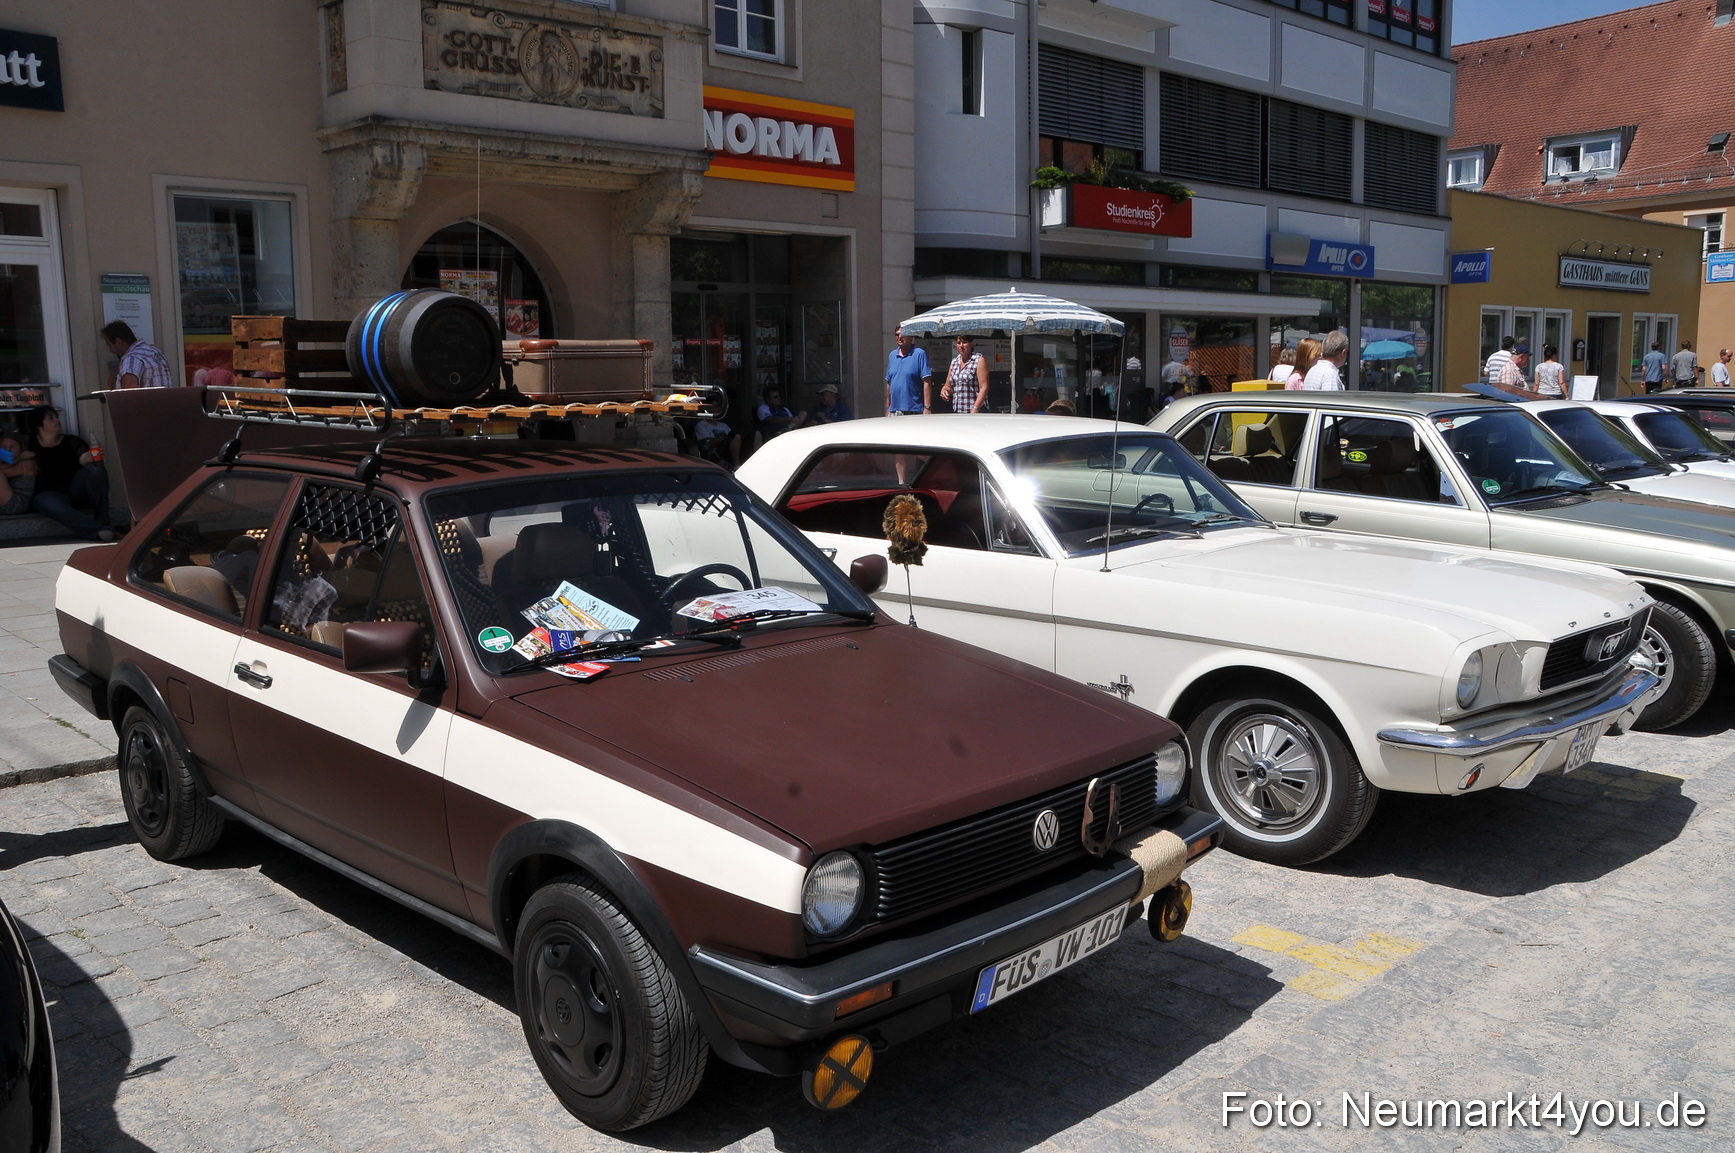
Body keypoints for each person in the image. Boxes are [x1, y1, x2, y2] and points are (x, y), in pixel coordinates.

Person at [19, 407, 113, 541]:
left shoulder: (71, 441)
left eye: (57, 417)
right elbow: (8, 452)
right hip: (49, 495)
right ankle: (97, 530)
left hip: (74, 491)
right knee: (43, 501)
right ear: (39, 425)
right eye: (51, 418)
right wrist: (20, 458)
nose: (57, 420)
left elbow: (83, 458)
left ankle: (104, 521)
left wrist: (91, 457)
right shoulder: (28, 443)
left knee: (95, 469)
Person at [101, 321, 174, 389]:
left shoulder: (131, 358)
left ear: (118, 342)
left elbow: (129, 393)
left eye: (109, 345)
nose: (110, 350)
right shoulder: (154, 352)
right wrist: (115, 372)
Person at [884, 326, 931, 415]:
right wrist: (888, 407)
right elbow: (889, 383)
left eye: (903, 334)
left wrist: (927, 407)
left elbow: (927, 381)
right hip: (894, 410)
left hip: (914, 409)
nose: (900, 337)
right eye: (897, 334)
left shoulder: (919, 354)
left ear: (911, 337)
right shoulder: (892, 355)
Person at [942, 335, 989, 413]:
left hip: (974, 411)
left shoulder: (978, 360)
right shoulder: (954, 362)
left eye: (964, 342)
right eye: (958, 343)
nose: (961, 345)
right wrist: (944, 390)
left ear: (971, 344)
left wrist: (975, 408)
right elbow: (948, 385)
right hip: (959, 411)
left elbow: (984, 387)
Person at [0, 430, 35, 516]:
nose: (8, 449)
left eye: (12, 447)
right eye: (4, 447)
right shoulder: (4, 463)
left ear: (21, 449)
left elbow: (3, 471)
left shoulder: (27, 463)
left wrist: (20, 458)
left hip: (17, 504)